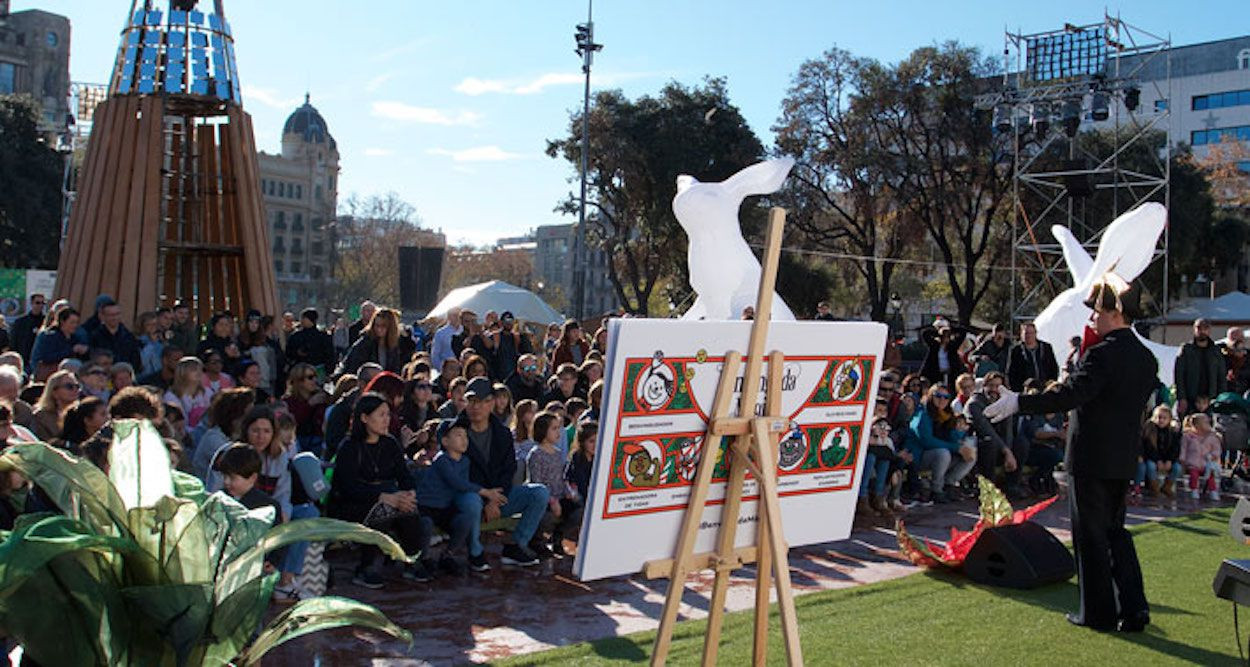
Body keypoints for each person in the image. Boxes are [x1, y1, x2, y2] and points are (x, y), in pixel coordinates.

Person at [984, 273, 1154, 632]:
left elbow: (1070, 395)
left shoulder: (1103, 355)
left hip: (1092, 456)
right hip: (1122, 457)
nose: (1092, 318)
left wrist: (1020, 402)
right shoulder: (1145, 357)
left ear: (1115, 314)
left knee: (1091, 537)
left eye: (1097, 312)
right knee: (1115, 533)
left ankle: (1098, 613)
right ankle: (1134, 607)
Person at [329, 393, 430, 587]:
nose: (387, 420)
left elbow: (404, 476)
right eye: (381, 415)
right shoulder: (349, 447)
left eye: (388, 414)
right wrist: (382, 496)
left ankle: (410, 559)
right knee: (385, 510)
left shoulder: (390, 443)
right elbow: (348, 487)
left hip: (388, 496)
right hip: (353, 503)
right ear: (364, 418)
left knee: (409, 510)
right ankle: (365, 566)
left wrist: (409, 493)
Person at [452, 377, 550, 567]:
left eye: (480, 401)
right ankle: (475, 552)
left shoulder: (502, 433)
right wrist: (487, 497)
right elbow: (457, 475)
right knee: (471, 501)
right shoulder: (454, 430)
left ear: (491, 403)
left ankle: (517, 545)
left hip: (498, 495)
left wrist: (496, 498)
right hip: (468, 496)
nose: (475, 407)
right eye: (471, 401)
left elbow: (509, 469)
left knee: (539, 492)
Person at [415, 420, 504, 574]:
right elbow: (457, 483)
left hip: (446, 507)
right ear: (445, 441)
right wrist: (486, 492)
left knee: (464, 520)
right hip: (427, 506)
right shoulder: (441, 459)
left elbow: (463, 486)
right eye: (458, 435)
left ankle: (448, 554)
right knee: (425, 523)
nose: (464, 440)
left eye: (466, 436)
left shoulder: (465, 461)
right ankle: (422, 559)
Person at [904, 383, 975, 503]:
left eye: (946, 397)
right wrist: (956, 448)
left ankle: (949, 484)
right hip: (919, 457)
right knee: (943, 453)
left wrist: (959, 433)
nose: (942, 399)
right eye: (938, 396)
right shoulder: (923, 414)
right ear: (931, 396)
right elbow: (926, 441)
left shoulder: (948, 415)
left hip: (941, 455)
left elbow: (952, 439)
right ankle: (936, 489)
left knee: (971, 451)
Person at [963, 371, 1025, 496]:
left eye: (998, 386)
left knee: (1021, 443)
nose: (994, 390)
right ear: (984, 386)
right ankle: (988, 487)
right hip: (979, 445)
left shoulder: (1005, 402)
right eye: (991, 385)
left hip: (1001, 445)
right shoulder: (974, 404)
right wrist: (1006, 451)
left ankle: (1012, 485)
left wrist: (1008, 451)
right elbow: (986, 430)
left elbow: (1008, 430)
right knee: (989, 442)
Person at [527, 411, 577, 557]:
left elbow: (562, 476)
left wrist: (568, 491)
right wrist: (552, 500)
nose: (558, 432)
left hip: (559, 495)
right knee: (547, 516)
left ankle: (558, 537)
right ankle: (537, 541)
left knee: (578, 510)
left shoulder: (557, 452)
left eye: (558, 428)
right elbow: (537, 481)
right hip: (544, 499)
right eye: (554, 428)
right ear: (543, 430)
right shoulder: (536, 454)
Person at [191, 387, 256, 482]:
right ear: (234, 416)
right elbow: (238, 467)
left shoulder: (239, 438)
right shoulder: (214, 439)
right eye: (247, 414)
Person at [1174, 318, 1226, 418]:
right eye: (1199, 328)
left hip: (1211, 399)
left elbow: (1221, 376)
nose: (1202, 331)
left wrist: (1221, 397)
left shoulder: (1216, 351)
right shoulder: (1186, 350)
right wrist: (1182, 397)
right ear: (1194, 329)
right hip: (1190, 399)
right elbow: (1179, 375)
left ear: (1209, 330)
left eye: (1205, 328)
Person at [338, 308, 405, 377]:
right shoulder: (364, 343)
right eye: (377, 325)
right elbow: (352, 366)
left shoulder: (395, 346)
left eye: (383, 326)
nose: (379, 329)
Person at [30, 307, 88, 381]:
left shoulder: (75, 338)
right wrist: (72, 350)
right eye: (72, 322)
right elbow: (46, 357)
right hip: (50, 374)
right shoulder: (50, 336)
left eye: (77, 323)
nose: (75, 325)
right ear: (62, 321)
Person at [1136, 404, 1182, 498]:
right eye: (1158, 417)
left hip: (1167, 459)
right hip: (1153, 459)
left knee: (1177, 468)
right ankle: (1154, 487)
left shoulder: (1173, 433)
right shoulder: (1150, 431)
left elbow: (1175, 449)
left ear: (1169, 419)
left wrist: (1169, 460)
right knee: (1150, 466)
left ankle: (1167, 486)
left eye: (1164, 418)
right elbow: (1149, 449)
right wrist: (1158, 460)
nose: (1161, 420)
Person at [283, 362, 328, 454]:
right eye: (310, 377)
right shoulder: (288, 402)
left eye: (316, 376)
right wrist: (309, 405)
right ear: (299, 381)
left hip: (318, 442)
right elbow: (293, 421)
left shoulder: (323, 397)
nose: (315, 380)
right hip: (296, 441)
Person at [88, 299, 142, 370]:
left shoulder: (129, 336)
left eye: (117, 314)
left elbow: (136, 360)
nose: (115, 318)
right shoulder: (95, 336)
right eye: (111, 315)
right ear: (103, 316)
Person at [1179, 412, 1223, 501]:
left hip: (1206, 463)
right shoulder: (1188, 436)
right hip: (1193, 462)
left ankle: (1213, 491)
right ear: (1197, 425)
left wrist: (1213, 455)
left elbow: (1217, 449)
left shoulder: (1212, 437)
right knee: (1194, 475)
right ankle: (1194, 489)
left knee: (1210, 476)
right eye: (1205, 422)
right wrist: (1182, 459)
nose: (1208, 425)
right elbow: (1183, 448)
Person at [1005, 322, 1059, 392]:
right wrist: (1016, 389)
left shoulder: (1046, 348)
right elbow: (1010, 372)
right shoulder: (1016, 350)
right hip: (1025, 391)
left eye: (1031, 333)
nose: (1029, 336)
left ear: (1035, 333)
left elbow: (1053, 367)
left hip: (1045, 389)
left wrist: (1051, 384)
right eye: (1026, 333)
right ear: (1021, 334)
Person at [32, 369, 81, 442]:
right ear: (54, 392)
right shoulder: (41, 416)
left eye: (77, 386)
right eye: (69, 386)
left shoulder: (81, 414)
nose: (75, 390)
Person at [286, 308, 336, 376]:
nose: (301, 320)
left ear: (308, 319)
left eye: (303, 318)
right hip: (305, 369)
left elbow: (330, 354)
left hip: (314, 369)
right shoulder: (296, 336)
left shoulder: (322, 336)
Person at [164, 356, 211, 427]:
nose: (199, 372)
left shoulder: (207, 392)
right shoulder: (171, 396)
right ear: (182, 372)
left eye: (201, 369)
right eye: (194, 369)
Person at [10, 294, 46, 365]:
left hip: (39, 360)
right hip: (23, 359)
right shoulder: (21, 322)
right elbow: (14, 342)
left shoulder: (46, 321)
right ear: (32, 303)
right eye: (37, 303)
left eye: (43, 303)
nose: (40, 306)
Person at [431, 307, 463, 373]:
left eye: (459, 315)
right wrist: (441, 369)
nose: (457, 318)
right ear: (449, 317)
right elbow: (435, 354)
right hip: (447, 370)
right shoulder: (441, 333)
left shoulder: (464, 330)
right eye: (454, 315)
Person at [135, 311, 164, 376]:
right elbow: (142, 362)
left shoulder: (160, 343)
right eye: (149, 325)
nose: (152, 327)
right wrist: (151, 344)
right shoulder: (137, 342)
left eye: (155, 324)